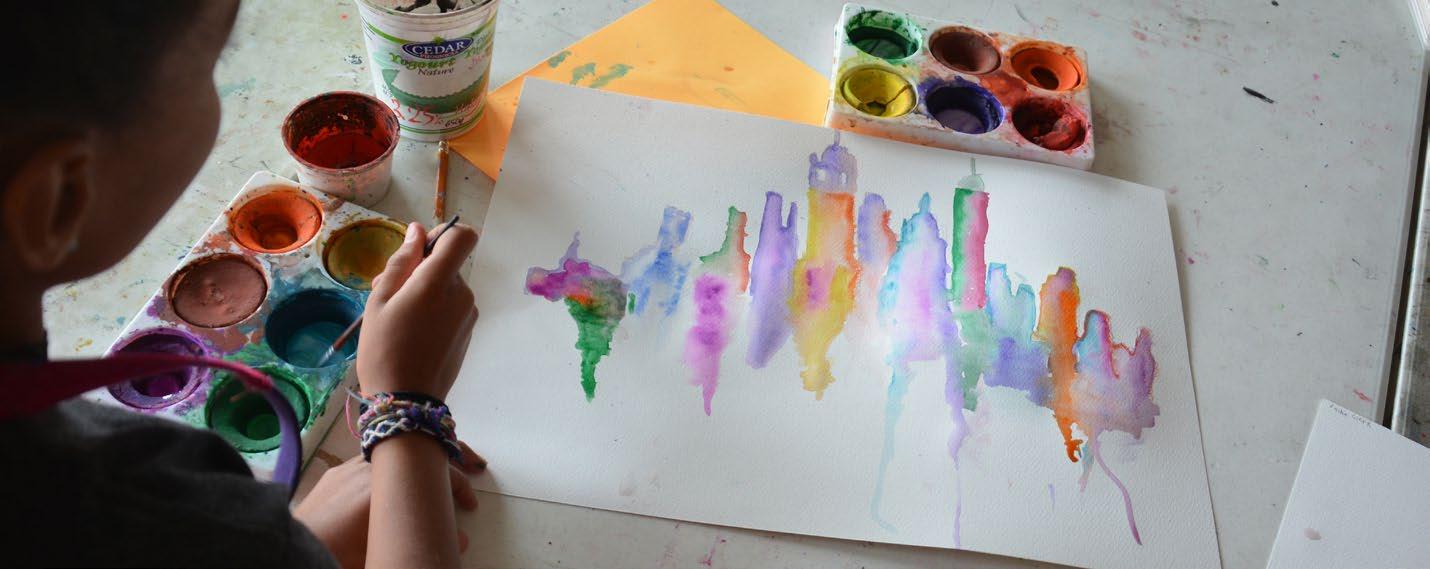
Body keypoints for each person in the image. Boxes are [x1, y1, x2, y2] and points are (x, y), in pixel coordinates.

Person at [0, 3, 482, 567]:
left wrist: (304, 538)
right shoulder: (134, 503)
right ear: (60, 197)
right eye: (212, 66)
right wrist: (406, 411)